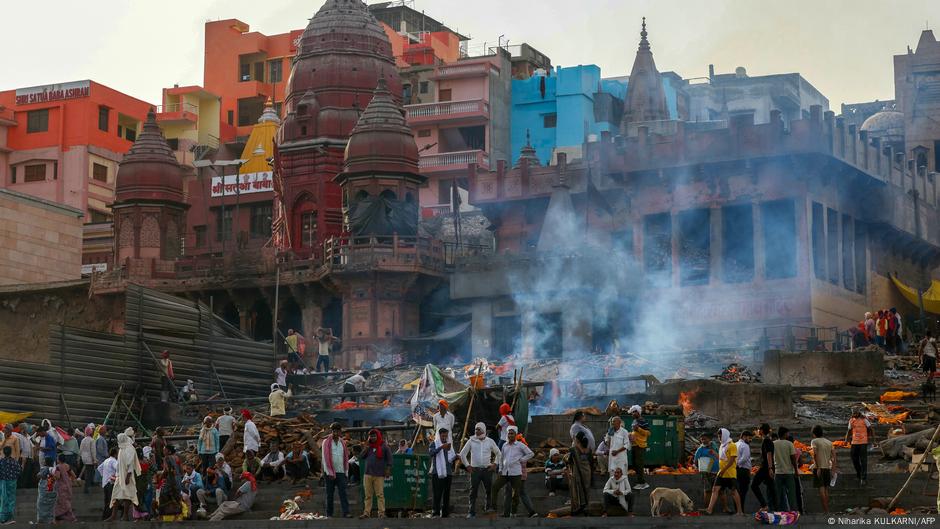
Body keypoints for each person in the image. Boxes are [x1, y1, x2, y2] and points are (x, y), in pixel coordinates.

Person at [489, 425, 533, 517]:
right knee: (495, 487)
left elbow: (531, 453)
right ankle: (493, 507)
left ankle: (513, 512)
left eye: (512, 434)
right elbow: (501, 458)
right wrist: (500, 469)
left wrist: (522, 459)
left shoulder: (520, 445)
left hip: (516, 473)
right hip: (505, 472)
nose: (510, 435)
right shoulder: (504, 445)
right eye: (509, 433)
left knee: (515, 495)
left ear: (516, 435)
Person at [459, 422, 499, 518]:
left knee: (489, 490)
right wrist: (467, 465)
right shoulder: (471, 441)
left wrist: (495, 464)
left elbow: (499, 453)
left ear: (484, 430)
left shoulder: (490, 441)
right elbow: (462, 454)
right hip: (475, 470)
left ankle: (488, 509)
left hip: (487, 470)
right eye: (476, 429)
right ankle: (471, 512)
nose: (477, 431)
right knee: (473, 492)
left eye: (479, 429)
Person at [705, 428, 743, 515]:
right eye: (718, 436)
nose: (719, 437)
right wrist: (714, 454)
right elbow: (722, 458)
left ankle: (740, 511)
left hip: (730, 473)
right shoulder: (722, 446)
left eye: (720, 435)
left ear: (725, 435)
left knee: (734, 492)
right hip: (721, 473)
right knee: (715, 489)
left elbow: (732, 460)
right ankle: (709, 509)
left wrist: (724, 470)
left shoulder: (732, 445)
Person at [109, 430, 141, 522]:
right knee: (115, 495)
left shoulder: (129, 449)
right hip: (119, 476)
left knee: (127, 496)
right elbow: (120, 464)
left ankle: (125, 516)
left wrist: (127, 477)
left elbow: (130, 464)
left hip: (127, 477)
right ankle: (113, 516)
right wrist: (117, 475)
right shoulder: (122, 448)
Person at [359, 428, 392, 518]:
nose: (372, 438)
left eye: (374, 436)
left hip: (379, 474)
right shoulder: (368, 446)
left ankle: (381, 513)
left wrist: (388, 470)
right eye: (371, 436)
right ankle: (366, 513)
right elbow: (361, 456)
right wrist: (366, 447)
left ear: (378, 436)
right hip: (368, 474)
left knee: (380, 495)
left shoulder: (384, 446)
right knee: (368, 495)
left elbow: (389, 459)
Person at [320, 423, 351, 518]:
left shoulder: (343, 443)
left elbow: (345, 458)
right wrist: (329, 472)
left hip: (341, 471)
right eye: (333, 431)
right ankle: (329, 514)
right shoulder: (326, 442)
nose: (335, 433)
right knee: (330, 494)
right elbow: (325, 458)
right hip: (329, 472)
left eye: (337, 431)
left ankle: (346, 513)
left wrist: (346, 472)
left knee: (343, 493)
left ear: (340, 432)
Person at [429, 428, 457, 518]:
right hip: (437, 472)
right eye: (443, 436)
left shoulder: (449, 445)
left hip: (448, 473)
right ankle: (436, 512)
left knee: (446, 494)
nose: (444, 437)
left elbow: (451, 457)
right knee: (437, 493)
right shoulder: (434, 444)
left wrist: (456, 456)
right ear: (439, 435)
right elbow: (431, 453)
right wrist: (441, 447)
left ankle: (445, 513)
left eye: (446, 436)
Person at [566, 430, 593, 516]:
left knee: (577, 488)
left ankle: (577, 507)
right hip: (587, 472)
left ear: (577, 440)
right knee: (586, 487)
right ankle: (586, 506)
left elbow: (568, 460)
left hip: (577, 472)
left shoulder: (573, 449)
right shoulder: (589, 449)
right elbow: (591, 461)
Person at [811, 425, 836, 513]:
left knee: (821, 490)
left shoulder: (814, 441)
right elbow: (834, 457)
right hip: (827, 468)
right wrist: (833, 469)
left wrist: (817, 467)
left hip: (819, 468)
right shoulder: (829, 442)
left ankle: (826, 511)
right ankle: (827, 510)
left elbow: (815, 454)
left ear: (814, 433)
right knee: (826, 489)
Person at [751, 423, 776, 511]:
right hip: (767, 467)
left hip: (766, 467)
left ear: (761, 430)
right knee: (771, 488)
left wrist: (770, 468)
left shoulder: (766, 440)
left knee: (754, 485)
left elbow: (769, 454)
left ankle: (765, 505)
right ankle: (775, 508)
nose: (758, 431)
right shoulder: (767, 440)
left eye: (759, 430)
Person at [773, 426, 799, 511]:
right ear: (785, 434)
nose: (788, 434)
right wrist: (796, 471)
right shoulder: (789, 444)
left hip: (778, 472)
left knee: (777, 494)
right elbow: (793, 459)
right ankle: (793, 511)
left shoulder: (773, 443)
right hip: (788, 472)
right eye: (788, 433)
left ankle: (778, 511)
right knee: (791, 494)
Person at [845, 409, 872, 485]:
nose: (855, 414)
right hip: (854, 442)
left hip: (863, 442)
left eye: (856, 412)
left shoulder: (864, 420)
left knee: (863, 460)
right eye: (854, 413)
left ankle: (863, 478)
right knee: (854, 459)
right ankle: (859, 474)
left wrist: (871, 438)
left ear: (859, 413)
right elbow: (849, 430)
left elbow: (870, 429)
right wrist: (846, 439)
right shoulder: (851, 420)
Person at [628, 405, 650, 490]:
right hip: (634, 445)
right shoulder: (635, 421)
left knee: (639, 465)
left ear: (638, 412)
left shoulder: (643, 420)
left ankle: (642, 483)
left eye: (634, 412)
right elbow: (635, 432)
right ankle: (638, 481)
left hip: (640, 446)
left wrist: (638, 429)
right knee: (635, 464)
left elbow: (648, 433)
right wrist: (630, 434)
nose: (632, 414)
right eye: (632, 412)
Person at [0, 445, 22, 524]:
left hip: (3, 482)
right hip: (12, 482)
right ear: (11, 452)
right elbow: (19, 472)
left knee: (3, 499)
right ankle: (10, 518)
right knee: (11, 500)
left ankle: (2, 518)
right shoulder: (15, 462)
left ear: (3, 452)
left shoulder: (1, 461)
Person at [53, 453, 77, 522]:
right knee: (66, 501)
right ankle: (64, 517)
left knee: (62, 502)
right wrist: (69, 481)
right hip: (68, 486)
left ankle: (67, 517)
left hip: (61, 487)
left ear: (59, 459)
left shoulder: (58, 467)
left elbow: (57, 476)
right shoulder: (67, 466)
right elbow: (74, 475)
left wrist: (52, 475)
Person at [97, 447, 118, 520]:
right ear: (115, 454)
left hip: (105, 483)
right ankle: (109, 516)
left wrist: (104, 476)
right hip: (110, 483)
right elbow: (118, 468)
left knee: (106, 501)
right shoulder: (114, 461)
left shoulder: (106, 460)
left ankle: (104, 517)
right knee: (110, 501)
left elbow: (99, 468)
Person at [735, 430, 753, 509]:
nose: (750, 440)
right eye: (749, 438)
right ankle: (741, 510)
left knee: (736, 491)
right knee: (743, 492)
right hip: (743, 471)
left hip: (735, 471)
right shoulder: (745, 446)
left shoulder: (734, 444)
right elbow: (745, 458)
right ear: (744, 437)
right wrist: (738, 464)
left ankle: (737, 510)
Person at [36, 458, 57, 524]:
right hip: (52, 488)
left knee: (41, 504)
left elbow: (39, 475)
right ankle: (50, 519)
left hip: (44, 489)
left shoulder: (45, 468)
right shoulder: (53, 469)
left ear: (45, 462)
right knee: (51, 505)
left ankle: (41, 519)